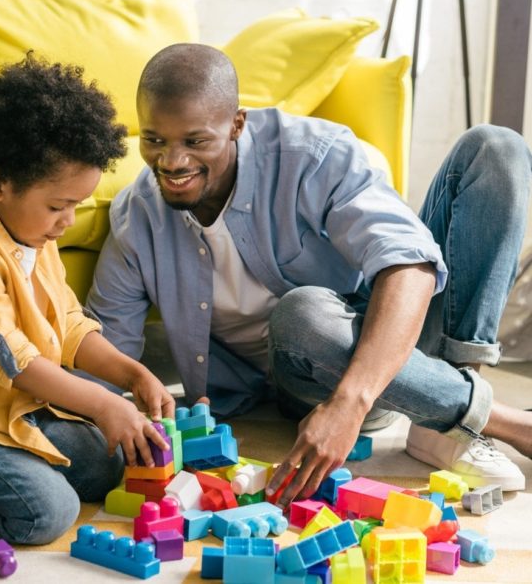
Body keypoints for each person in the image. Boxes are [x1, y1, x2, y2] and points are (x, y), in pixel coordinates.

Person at [87, 43, 532, 507]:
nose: (172, 162)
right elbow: (104, 351)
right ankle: (492, 421)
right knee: (301, 316)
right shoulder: (137, 218)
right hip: (310, 377)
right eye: (154, 140)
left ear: (237, 124)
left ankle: (448, 413)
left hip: (369, 369)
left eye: (195, 141)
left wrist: (349, 405)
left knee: (496, 148)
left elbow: (408, 262)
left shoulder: (312, 155)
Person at [0, 55, 175, 545]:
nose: (67, 221)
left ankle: (12, 465)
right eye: (58, 206)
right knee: (47, 514)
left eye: (76, 207)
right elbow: (15, 362)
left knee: (110, 464)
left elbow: (67, 324)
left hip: (16, 408)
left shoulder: (32, 235)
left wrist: (132, 374)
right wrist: (104, 404)